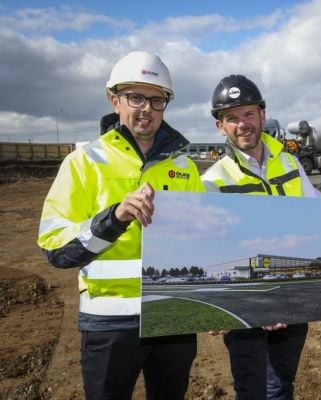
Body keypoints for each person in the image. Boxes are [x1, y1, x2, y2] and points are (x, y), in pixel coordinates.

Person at [37, 51, 204, 399]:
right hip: (109, 321)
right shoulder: (84, 163)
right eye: (135, 97)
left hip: (173, 314)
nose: (146, 108)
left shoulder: (185, 167)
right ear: (115, 101)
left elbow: (203, 241)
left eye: (156, 99)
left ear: (166, 105)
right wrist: (113, 219)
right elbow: (55, 249)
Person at [201, 74, 321, 400]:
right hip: (247, 305)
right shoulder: (212, 181)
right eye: (231, 118)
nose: (242, 124)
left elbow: (318, 213)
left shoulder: (290, 162)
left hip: (290, 296)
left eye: (248, 114)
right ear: (220, 126)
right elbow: (210, 249)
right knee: (252, 390)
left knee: (282, 384)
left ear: (262, 116)